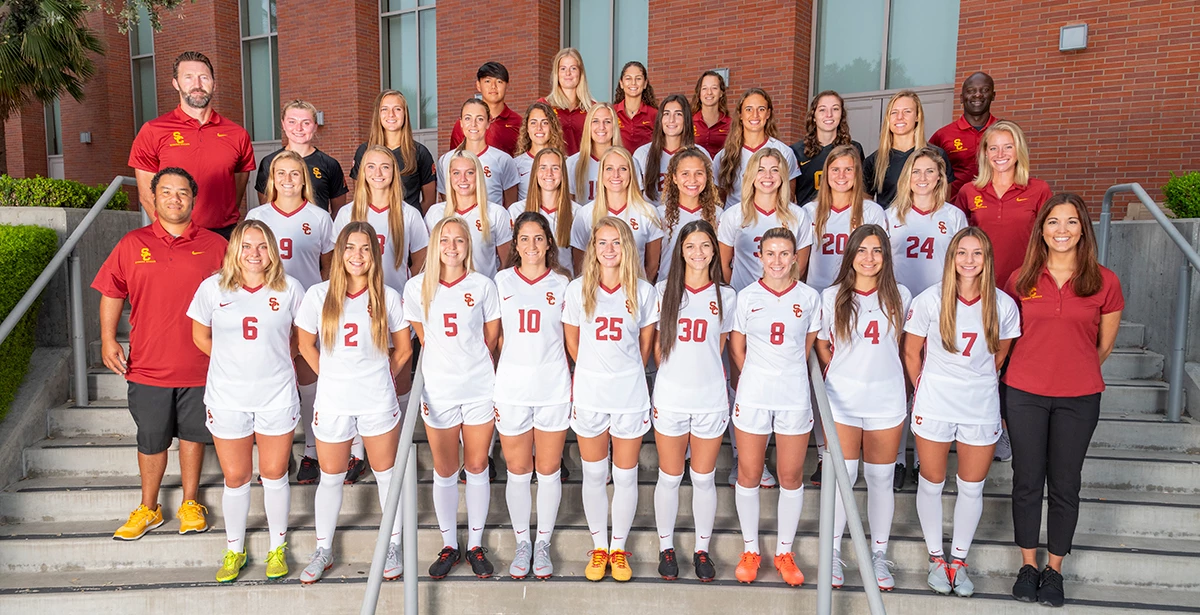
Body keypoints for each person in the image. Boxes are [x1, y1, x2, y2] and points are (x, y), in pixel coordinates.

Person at [95, 167, 227, 541]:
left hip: (201, 365)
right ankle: (149, 507)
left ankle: (190, 503)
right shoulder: (131, 244)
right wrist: (107, 338)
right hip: (148, 365)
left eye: (182, 192)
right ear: (153, 197)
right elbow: (112, 292)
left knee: (193, 436)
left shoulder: (217, 245)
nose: (174, 198)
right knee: (151, 438)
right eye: (166, 191)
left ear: (193, 199)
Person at [1004, 194, 1123, 608]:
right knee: (1026, 479)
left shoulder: (1105, 281)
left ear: (1083, 230)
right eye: (1053, 222)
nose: (1062, 230)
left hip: (1079, 397)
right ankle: (1028, 565)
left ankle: (1054, 569)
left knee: (1065, 483)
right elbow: (1007, 337)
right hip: (1024, 393)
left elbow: (1103, 345)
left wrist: (1073, 369)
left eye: (1071, 222)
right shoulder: (1020, 279)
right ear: (1041, 230)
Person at [902, 227, 1020, 598]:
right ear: (951, 258)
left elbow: (999, 356)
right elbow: (911, 353)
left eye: (977, 253)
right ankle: (936, 558)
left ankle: (959, 560)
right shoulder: (929, 299)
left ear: (987, 259)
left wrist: (975, 383)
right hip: (935, 400)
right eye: (962, 253)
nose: (969, 260)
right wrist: (926, 388)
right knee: (931, 481)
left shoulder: (1003, 304)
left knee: (971, 486)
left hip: (980, 404)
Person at [294, 222, 413, 584]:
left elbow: (403, 349)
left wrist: (383, 376)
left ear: (374, 254)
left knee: (386, 475)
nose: (356, 255)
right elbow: (304, 344)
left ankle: (393, 545)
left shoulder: (387, 296)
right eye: (349, 247)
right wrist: (330, 374)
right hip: (334, 400)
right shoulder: (318, 294)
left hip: (376, 398)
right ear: (340, 252)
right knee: (331, 477)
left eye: (364, 248)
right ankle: (323, 549)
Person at [187, 220, 305, 582]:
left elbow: (301, 337)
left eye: (262, 246)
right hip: (228, 396)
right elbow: (200, 336)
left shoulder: (290, 288)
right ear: (235, 249)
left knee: (274, 472)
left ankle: (277, 548)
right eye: (247, 246)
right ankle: (234, 550)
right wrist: (231, 362)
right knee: (236, 476)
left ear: (272, 251)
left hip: (276, 394)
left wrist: (276, 360)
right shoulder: (212, 288)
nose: (255, 253)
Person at [403, 217, 502, 580]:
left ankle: (475, 544)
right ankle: (449, 544)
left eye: (459, 240)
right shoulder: (416, 287)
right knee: (445, 469)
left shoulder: (483, 285)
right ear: (435, 244)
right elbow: (423, 336)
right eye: (444, 239)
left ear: (467, 246)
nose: (451, 246)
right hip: (439, 390)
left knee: (476, 466)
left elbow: (491, 337)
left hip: (479, 387)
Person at [815, 224, 912, 591]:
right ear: (851, 254)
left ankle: (878, 554)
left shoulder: (900, 295)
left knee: (881, 478)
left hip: (886, 399)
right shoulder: (832, 296)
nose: (869, 258)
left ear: (886, 256)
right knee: (843, 475)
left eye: (877, 250)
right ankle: (833, 552)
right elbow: (822, 344)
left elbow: (904, 346)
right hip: (842, 399)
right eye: (862, 250)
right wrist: (843, 373)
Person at [564, 216, 659, 583]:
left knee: (624, 474)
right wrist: (595, 371)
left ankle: (618, 549)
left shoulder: (643, 292)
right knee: (593, 474)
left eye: (616, 242)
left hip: (629, 394)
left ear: (627, 248)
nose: (609, 249)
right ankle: (599, 547)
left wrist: (622, 372)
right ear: (593, 248)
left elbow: (645, 345)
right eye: (602, 242)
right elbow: (573, 343)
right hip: (590, 393)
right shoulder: (577, 290)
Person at [728, 227, 821, 587]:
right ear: (760, 257)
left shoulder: (809, 298)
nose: (777, 260)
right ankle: (750, 550)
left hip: (793, 396)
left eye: (785, 253)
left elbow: (805, 347)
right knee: (749, 473)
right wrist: (757, 375)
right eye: (770, 253)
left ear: (795, 258)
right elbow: (738, 349)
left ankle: (784, 552)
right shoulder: (746, 297)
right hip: (754, 395)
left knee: (791, 476)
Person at [334, 146, 430, 478]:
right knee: (358, 376)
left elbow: (421, 260)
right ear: (361, 172)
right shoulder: (347, 213)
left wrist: (405, 298)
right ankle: (357, 452)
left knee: (397, 376)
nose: (378, 173)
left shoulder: (409, 214)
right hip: (354, 309)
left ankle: (397, 446)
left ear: (395, 173)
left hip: (393, 307)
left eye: (385, 167)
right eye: (371, 166)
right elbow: (335, 262)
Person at [652, 219, 736, 583]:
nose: (698, 252)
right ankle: (666, 547)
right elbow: (658, 349)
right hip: (671, 396)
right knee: (670, 476)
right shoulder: (662, 291)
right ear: (680, 251)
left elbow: (719, 347)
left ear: (714, 250)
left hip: (710, 398)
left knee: (703, 478)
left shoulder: (726, 296)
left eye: (705, 245)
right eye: (690, 246)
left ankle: (702, 549)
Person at [245, 151, 336, 485]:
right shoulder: (257, 216)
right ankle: (275, 458)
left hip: (306, 310)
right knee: (270, 383)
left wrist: (320, 305)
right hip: (267, 311)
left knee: (309, 381)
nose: (287, 179)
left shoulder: (319, 217)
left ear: (304, 179)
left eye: (294, 173)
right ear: (271, 179)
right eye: (280, 173)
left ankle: (311, 451)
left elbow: (328, 266)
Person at [494, 212, 573, 579]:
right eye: (524, 239)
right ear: (515, 244)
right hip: (511, 388)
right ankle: (522, 542)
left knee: (549, 469)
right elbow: (494, 337)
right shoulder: (501, 281)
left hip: (553, 387)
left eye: (538, 238)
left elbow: (570, 339)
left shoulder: (563, 283)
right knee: (518, 470)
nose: (531, 245)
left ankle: (543, 542)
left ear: (548, 243)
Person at [886, 147, 968, 489]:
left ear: (940, 177)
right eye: (916, 171)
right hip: (900, 308)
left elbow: (963, 264)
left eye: (929, 171)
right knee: (901, 385)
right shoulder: (891, 215)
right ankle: (898, 459)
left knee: (929, 383)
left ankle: (923, 459)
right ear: (907, 177)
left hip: (937, 310)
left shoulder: (954, 217)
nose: (922, 178)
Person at [128, 52, 255, 238]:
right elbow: (147, 196)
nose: (197, 85)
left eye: (204, 77)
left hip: (224, 237)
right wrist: (170, 235)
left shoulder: (237, 134)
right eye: (188, 77)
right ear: (176, 83)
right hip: (174, 236)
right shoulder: (153, 131)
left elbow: (235, 193)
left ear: (214, 84)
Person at [954, 120, 1052, 292]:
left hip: (1026, 282)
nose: (1000, 154)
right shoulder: (968, 191)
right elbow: (957, 241)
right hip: (980, 283)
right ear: (985, 153)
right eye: (993, 148)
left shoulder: (1039, 190)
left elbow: (1050, 239)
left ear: (1019, 150)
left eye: (1008, 147)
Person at [718, 147, 814, 292]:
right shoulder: (733, 215)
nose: (768, 176)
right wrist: (735, 295)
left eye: (775, 170)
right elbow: (724, 264)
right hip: (743, 296)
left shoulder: (798, 215)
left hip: (783, 296)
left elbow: (800, 266)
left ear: (783, 175)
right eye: (760, 170)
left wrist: (782, 293)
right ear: (751, 174)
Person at [569, 147, 664, 280]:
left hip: (635, 289)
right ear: (601, 174)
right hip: (597, 290)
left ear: (631, 174)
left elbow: (652, 266)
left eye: (623, 169)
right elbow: (580, 266)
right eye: (609, 168)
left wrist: (637, 287)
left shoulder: (648, 212)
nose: (616, 175)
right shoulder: (584, 214)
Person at [802, 145, 887, 291]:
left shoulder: (872, 211)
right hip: (818, 291)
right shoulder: (809, 211)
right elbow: (800, 262)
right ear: (826, 173)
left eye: (848, 170)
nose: (841, 176)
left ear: (857, 173)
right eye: (835, 170)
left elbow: (882, 258)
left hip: (855, 292)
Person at [425, 150, 512, 278]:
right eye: (456, 173)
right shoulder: (435, 213)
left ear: (478, 175)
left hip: (484, 288)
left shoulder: (496, 213)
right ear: (449, 177)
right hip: (445, 288)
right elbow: (428, 260)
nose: (463, 179)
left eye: (470, 172)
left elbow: (507, 264)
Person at [863, 90, 954, 209]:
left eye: (907, 111)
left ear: (917, 116)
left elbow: (945, 201)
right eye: (894, 112)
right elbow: (867, 208)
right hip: (889, 221)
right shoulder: (874, 161)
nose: (900, 117)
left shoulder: (936, 155)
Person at [254, 99, 349, 212]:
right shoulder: (269, 162)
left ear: (315, 126)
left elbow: (338, 213)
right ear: (283, 124)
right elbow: (265, 210)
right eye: (292, 122)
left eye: (306, 123)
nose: (299, 128)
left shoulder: (330, 164)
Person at [349, 90, 437, 212]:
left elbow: (429, 201)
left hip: (407, 222)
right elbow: (359, 196)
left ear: (405, 114)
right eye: (384, 109)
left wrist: (412, 219)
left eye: (397, 109)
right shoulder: (364, 151)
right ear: (378, 114)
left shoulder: (420, 152)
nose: (391, 114)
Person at [714, 88, 800, 209]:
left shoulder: (784, 152)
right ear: (740, 114)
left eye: (761, 109)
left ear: (768, 114)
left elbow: (788, 197)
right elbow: (720, 199)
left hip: (772, 218)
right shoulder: (724, 156)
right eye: (749, 109)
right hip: (736, 219)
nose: (755, 115)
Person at [508, 147, 581, 275]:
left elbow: (579, 263)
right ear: (535, 172)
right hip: (527, 282)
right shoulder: (516, 210)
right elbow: (511, 257)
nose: (549, 173)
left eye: (555, 168)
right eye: (543, 168)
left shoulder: (577, 212)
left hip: (564, 283)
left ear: (563, 173)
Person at [655, 147, 721, 282]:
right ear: (674, 177)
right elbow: (652, 263)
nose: (692, 180)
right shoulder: (659, 214)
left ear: (707, 177)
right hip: (668, 286)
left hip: (706, 287)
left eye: (699, 173)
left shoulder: (718, 215)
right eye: (685, 173)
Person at [438, 98, 520, 206]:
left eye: (480, 119)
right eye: (468, 118)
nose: (473, 124)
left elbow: (511, 205)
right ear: (461, 123)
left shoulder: (503, 160)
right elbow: (447, 202)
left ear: (488, 123)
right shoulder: (446, 160)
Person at [929, 72, 999, 200]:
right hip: (955, 206)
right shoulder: (943, 135)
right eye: (971, 91)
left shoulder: (1005, 132)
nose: (978, 94)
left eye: (985, 90)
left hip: (996, 206)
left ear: (993, 95)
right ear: (961, 98)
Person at [791, 91, 865, 208]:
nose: (829, 114)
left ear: (841, 115)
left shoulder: (853, 149)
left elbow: (861, 189)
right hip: (808, 216)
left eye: (835, 109)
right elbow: (789, 196)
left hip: (844, 214)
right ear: (813, 116)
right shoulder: (796, 151)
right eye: (822, 110)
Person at [634, 94, 708, 207]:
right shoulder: (642, 154)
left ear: (686, 119)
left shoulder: (700, 154)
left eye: (678, 114)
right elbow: (634, 198)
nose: (671, 120)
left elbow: (708, 195)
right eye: (666, 114)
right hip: (652, 216)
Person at [449, 62, 522, 155]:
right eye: (488, 81)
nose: (493, 86)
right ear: (478, 85)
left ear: (507, 85)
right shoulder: (465, 124)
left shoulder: (519, 123)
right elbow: (454, 158)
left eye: (499, 81)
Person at [541, 48, 597, 156]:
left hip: (584, 165)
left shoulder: (593, 108)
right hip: (554, 165)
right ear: (557, 73)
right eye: (563, 68)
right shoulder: (544, 106)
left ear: (580, 72)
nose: (568, 73)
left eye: (573, 68)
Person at [566, 103, 623, 203]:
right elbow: (569, 206)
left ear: (614, 126)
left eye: (607, 121)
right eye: (595, 121)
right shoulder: (572, 163)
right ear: (588, 125)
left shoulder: (628, 162)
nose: (601, 127)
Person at [513, 102, 567, 201]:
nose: (539, 128)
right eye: (533, 123)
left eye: (545, 122)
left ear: (552, 127)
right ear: (527, 128)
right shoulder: (515, 164)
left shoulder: (564, 163)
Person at [613, 61, 658, 153]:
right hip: (618, 161)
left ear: (645, 83)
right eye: (628, 78)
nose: (633, 83)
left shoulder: (655, 114)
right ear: (621, 83)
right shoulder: (611, 112)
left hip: (646, 162)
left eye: (638, 78)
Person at [691, 71, 731, 158]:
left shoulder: (731, 124)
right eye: (704, 88)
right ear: (699, 93)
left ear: (721, 93)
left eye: (714, 88)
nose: (709, 92)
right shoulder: (689, 122)